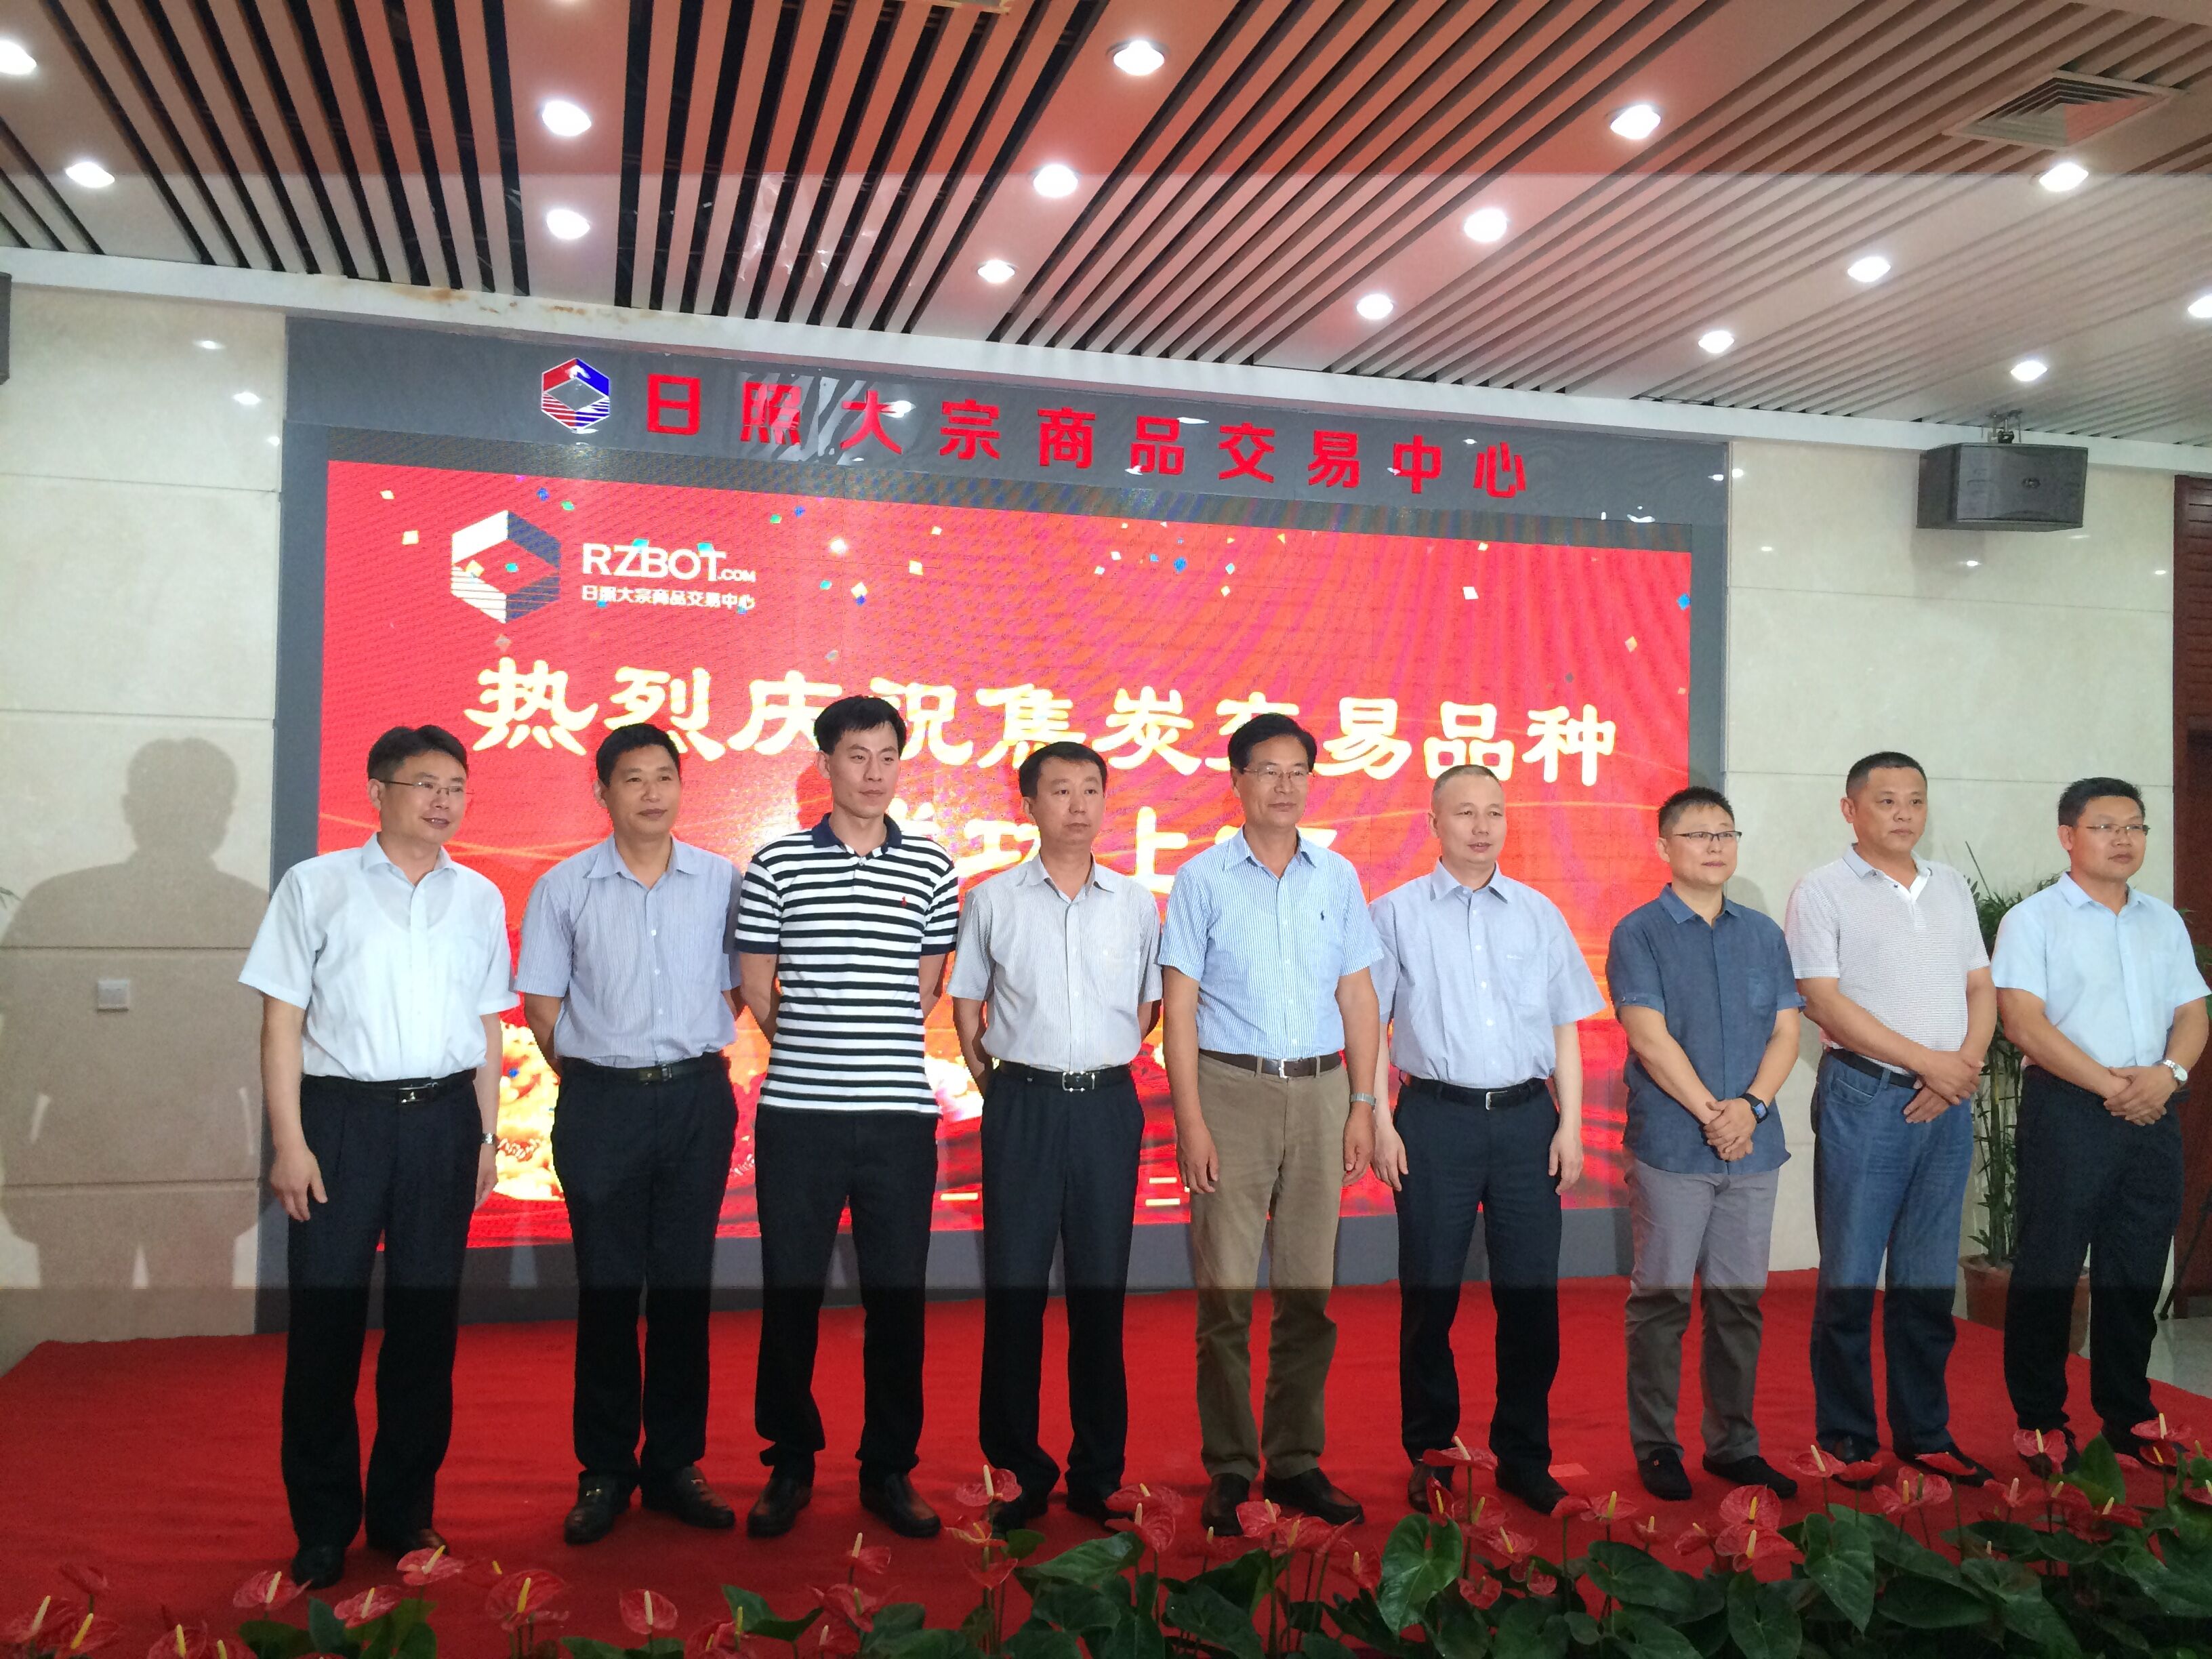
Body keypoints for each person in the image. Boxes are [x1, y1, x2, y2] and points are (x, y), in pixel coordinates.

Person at [241, 725, 512, 1589]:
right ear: (377, 791)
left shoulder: (479, 896)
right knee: (326, 1328)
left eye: (455, 788)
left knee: (425, 1332)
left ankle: (403, 1514)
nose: (443, 802)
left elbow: (487, 1027)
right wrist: (290, 1143)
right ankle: (324, 1524)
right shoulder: (315, 885)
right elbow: (280, 1023)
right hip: (341, 1123)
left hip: (442, 1122)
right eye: (425, 784)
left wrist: (484, 1136)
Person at [736, 694, 960, 1540]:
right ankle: (790, 1461)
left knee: (897, 1298)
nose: (874, 773)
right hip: (799, 1115)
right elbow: (757, 985)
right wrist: (814, 1045)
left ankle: (888, 1468)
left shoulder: (931, 868)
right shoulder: (777, 864)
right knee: (791, 1293)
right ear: (825, 765)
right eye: (857, 756)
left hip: (898, 1117)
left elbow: (925, 988)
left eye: (888, 756)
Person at [516, 724, 743, 1546]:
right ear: (602, 792)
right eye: (633, 778)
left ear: (682, 787)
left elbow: (739, 988)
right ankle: (606, 1470)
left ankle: (676, 1464)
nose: (652, 792)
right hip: (601, 1106)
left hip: (694, 1101)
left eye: (664, 776)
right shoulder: (563, 886)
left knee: (684, 1288)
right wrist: (600, 1069)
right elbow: (542, 1007)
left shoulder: (723, 882)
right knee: (608, 1292)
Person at [1160, 712, 1382, 1535]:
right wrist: (1191, 1120)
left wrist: (1363, 1105)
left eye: (1298, 772)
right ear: (1237, 781)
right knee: (1224, 1297)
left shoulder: (1338, 877)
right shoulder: (1201, 880)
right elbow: (1179, 1009)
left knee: (1308, 1295)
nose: (1284, 786)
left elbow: (1358, 997)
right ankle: (1229, 1466)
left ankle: (1294, 1461)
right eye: (1267, 771)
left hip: (1323, 1092)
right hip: (1230, 1092)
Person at [1369, 764, 1604, 1516]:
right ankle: (1431, 1455)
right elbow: (1369, 1025)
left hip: (1529, 1120)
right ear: (1433, 824)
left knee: (1530, 1297)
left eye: (1494, 812)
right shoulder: (1394, 914)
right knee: (1429, 1296)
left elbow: (1564, 1026)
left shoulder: (1538, 913)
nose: (1481, 826)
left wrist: (1570, 1123)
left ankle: (1524, 1456)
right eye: (1464, 812)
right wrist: (1378, 1119)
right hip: (1433, 1119)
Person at [949, 741, 1162, 1534]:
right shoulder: (993, 900)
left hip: (1107, 1107)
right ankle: (1017, 1474)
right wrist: (1004, 1089)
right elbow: (967, 1008)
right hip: (1024, 1107)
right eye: (1060, 790)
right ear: (1029, 805)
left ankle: (1098, 1474)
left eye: (1091, 790)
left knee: (1100, 1296)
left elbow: (1149, 1008)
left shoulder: (1135, 903)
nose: (1078, 805)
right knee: (1015, 1294)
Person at [1784, 752, 1996, 1484]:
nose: (1904, 814)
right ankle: (1846, 1438)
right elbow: (1822, 1000)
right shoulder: (1822, 890)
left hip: (1948, 1101)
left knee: (1927, 1281)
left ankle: (1925, 1433)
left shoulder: (1951, 886)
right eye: (1886, 801)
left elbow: (1981, 986)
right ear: (1851, 810)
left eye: (1915, 800)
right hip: (1867, 1096)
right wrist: (1927, 1062)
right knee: (1850, 1279)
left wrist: (1961, 1066)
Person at [1994, 777, 2207, 1470]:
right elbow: (2023, 1022)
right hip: (2068, 1110)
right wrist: (2115, 1087)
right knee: (2050, 1265)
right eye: (2106, 826)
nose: (2124, 839)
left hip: (2154, 1108)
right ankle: (2039, 1419)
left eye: (2135, 827)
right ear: (2068, 836)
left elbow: (2192, 1014)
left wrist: (2168, 1076)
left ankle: (2129, 1412)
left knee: (2136, 1267)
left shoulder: (2162, 922)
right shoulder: (2032, 920)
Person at [1607, 785, 1801, 1503]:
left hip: (1753, 1146)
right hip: (1673, 1147)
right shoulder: (1639, 932)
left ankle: (1734, 1445)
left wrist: (1751, 1108)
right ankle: (1658, 1446)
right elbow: (1649, 1038)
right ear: (1664, 847)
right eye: (1697, 834)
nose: (1715, 846)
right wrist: (1713, 1114)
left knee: (1739, 1304)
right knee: (1662, 1302)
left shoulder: (1763, 934)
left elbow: (1786, 1032)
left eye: (1725, 833)